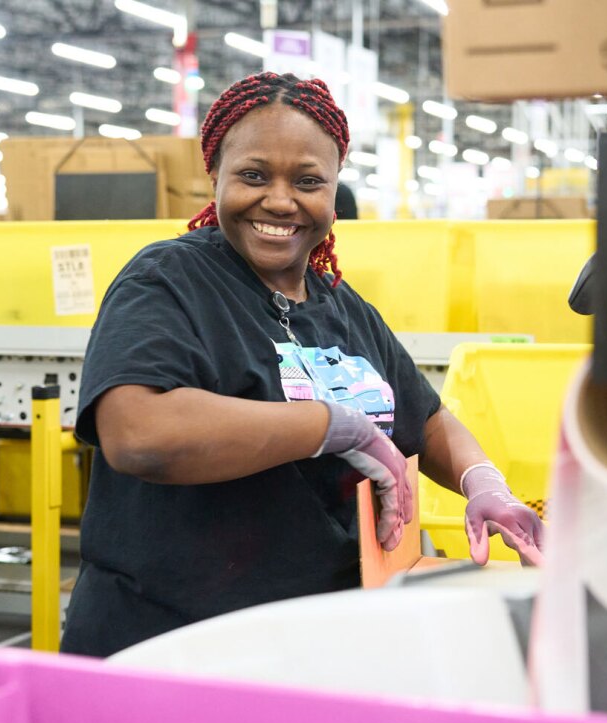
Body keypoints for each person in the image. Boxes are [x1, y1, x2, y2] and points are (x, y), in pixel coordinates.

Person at [60, 71, 545, 658]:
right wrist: (332, 426)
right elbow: (139, 433)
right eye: (254, 175)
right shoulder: (168, 281)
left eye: (308, 181)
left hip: (312, 639)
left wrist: (482, 483)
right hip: (175, 644)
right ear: (215, 173)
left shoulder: (341, 305)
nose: (281, 200)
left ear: (334, 192)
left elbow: (428, 417)